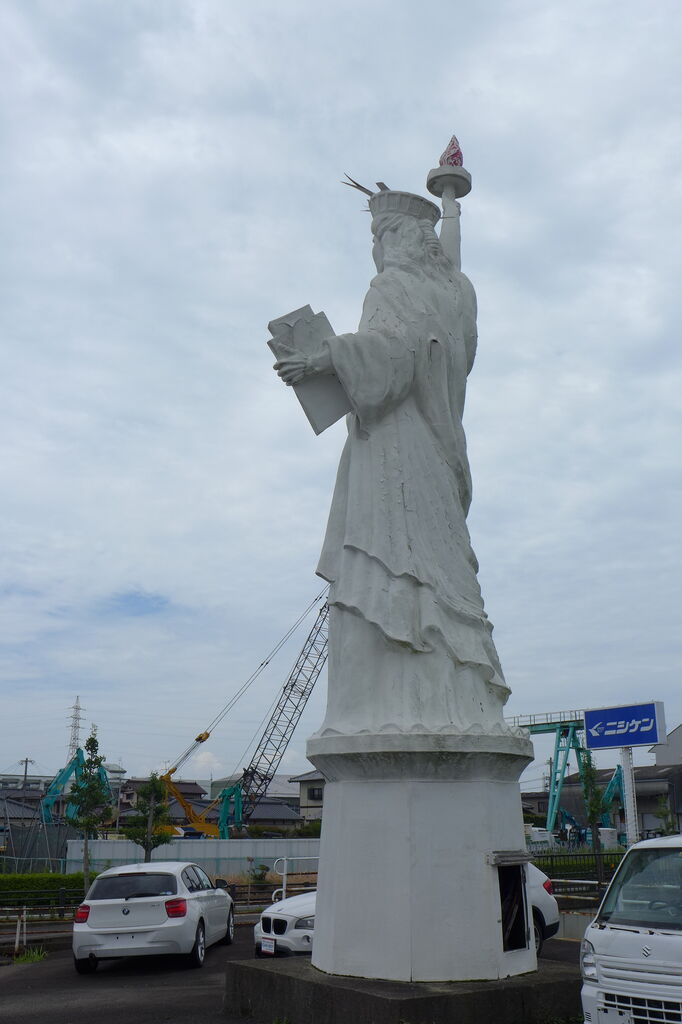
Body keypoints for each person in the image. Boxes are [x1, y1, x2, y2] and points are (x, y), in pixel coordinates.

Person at [275, 189, 511, 737]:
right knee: (443, 566)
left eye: (379, 237)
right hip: (442, 444)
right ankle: (456, 694)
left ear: (398, 239)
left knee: (386, 553)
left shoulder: (390, 286)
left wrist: (324, 356)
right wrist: (451, 208)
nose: (375, 251)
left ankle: (389, 701)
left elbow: (391, 361)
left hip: (395, 446)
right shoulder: (457, 293)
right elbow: (445, 293)